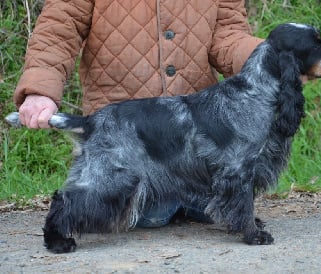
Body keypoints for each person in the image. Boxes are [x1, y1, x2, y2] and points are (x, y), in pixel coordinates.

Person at [13, 0, 264, 227]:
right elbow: (61, 23)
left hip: (196, 138)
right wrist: (40, 88)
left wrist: (274, 59)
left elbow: (228, 34)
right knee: (150, 216)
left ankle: (194, 199)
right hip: (128, 134)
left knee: (222, 200)